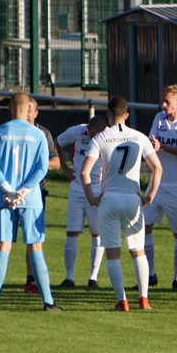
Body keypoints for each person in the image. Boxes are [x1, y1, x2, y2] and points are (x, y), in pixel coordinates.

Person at [80, 96, 163, 311]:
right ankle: (144, 300)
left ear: (108, 115)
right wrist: (150, 195)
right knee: (138, 250)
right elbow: (157, 168)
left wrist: (91, 197)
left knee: (113, 252)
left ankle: (122, 301)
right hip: (133, 199)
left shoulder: (100, 137)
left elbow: (84, 172)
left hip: (109, 199)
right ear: (127, 115)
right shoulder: (139, 137)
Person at [0, 92, 60, 312]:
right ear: (28, 108)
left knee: (3, 246)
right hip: (31, 199)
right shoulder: (37, 134)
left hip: (5, 198)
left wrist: (9, 189)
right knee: (35, 246)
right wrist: (24, 191)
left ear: (9, 107)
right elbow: (42, 168)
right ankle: (48, 302)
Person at [145, 84, 177, 290]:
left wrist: (162, 147)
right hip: (156, 183)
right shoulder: (159, 119)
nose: (163, 105)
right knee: (145, 227)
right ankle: (151, 274)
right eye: (163, 100)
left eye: (167, 101)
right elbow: (151, 143)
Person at [55, 115, 108, 288]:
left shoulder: (109, 136)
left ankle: (93, 278)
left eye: (97, 135)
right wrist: (65, 168)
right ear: (88, 128)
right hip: (77, 189)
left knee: (97, 234)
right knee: (71, 232)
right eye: (91, 134)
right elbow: (56, 142)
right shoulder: (76, 132)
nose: (94, 138)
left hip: (98, 191)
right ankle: (69, 278)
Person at [22, 99, 61, 294]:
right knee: (3, 238)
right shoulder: (12, 131)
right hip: (11, 191)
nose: (27, 112)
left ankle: (32, 280)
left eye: (31, 110)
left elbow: (56, 163)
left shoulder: (43, 133)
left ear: (36, 113)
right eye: (25, 108)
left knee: (34, 238)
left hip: (37, 192)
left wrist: (37, 164)